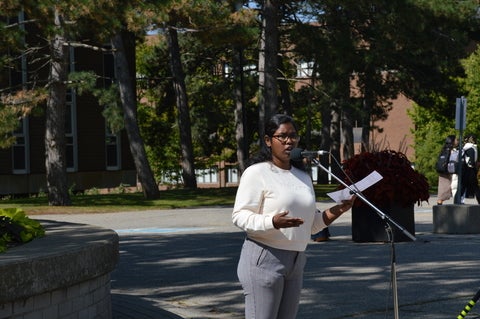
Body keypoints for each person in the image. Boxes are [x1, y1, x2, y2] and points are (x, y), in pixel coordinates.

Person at [232, 114, 355, 319]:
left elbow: (311, 225)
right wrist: (272, 222)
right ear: (268, 141)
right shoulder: (257, 172)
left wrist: (339, 209)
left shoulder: (303, 176)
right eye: (282, 136)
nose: (289, 141)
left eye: (293, 136)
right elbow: (239, 216)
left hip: (296, 261)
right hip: (265, 258)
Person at [457, 134, 480, 204]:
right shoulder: (471, 148)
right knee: (475, 187)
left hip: (466, 169)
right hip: (470, 170)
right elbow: (472, 160)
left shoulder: (465, 148)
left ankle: (457, 200)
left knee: (463, 186)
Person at [436, 135, 457, 205]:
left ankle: (440, 201)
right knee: (453, 186)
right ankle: (456, 201)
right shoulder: (452, 151)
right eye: (456, 140)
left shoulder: (444, 149)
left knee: (442, 186)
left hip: (442, 170)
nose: (457, 141)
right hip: (449, 170)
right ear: (452, 141)